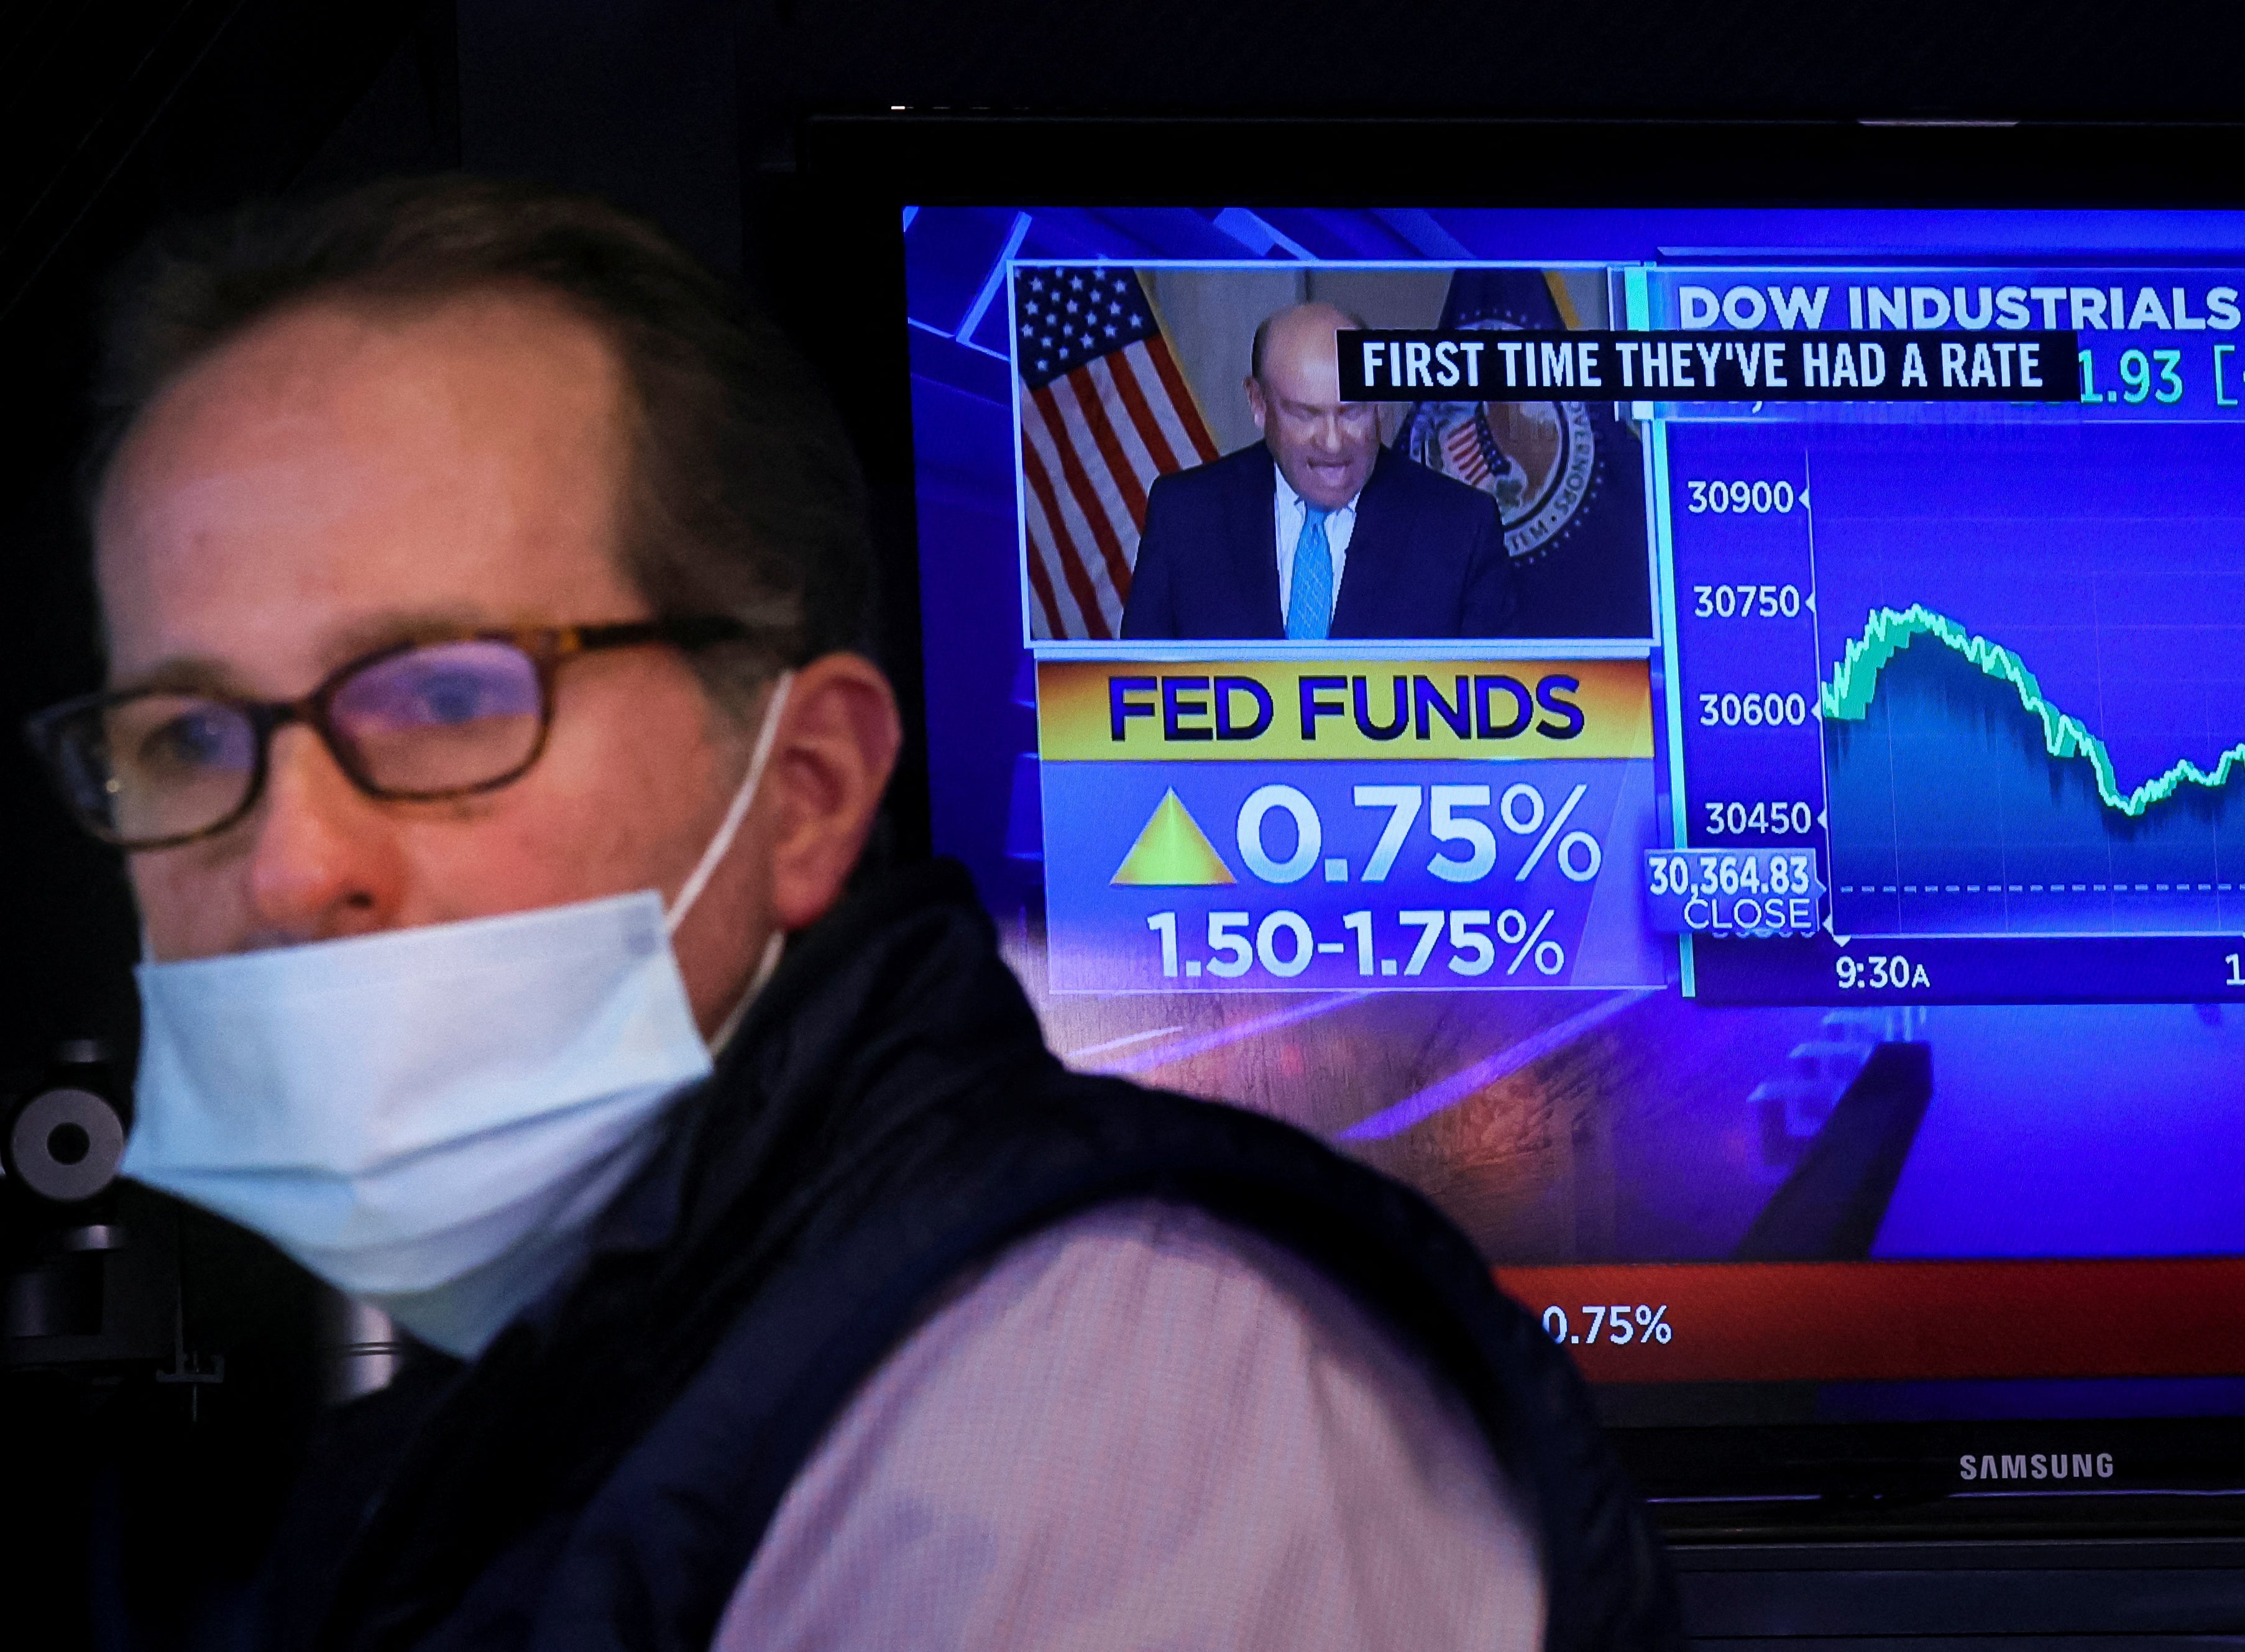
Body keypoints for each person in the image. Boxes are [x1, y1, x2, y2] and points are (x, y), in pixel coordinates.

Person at [26, 178, 1672, 1650]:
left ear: (809, 784)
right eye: (184, 741)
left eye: (448, 698)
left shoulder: (1123, 1417)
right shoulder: (526, 1385)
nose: (289, 859)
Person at [1119, 301, 1517, 641]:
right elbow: (1135, 697)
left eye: (1353, 411)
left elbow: (1493, 711)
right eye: (1305, 414)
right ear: (1258, 404)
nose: (1333, 443)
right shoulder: (1186, 516)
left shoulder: (1461, 528)